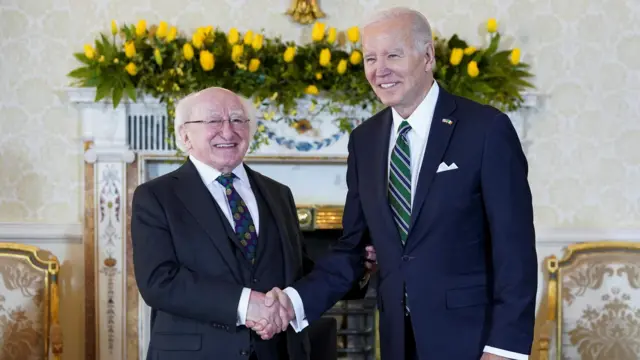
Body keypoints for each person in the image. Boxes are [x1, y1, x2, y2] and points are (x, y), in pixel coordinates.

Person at [252, 7, 538, 360]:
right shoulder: (364, 139)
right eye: (370, 57)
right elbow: (353, 248)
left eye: (393, 55)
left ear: (427, 55)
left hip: (473, 340)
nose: (379, 69)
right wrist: (293, 303)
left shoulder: (485, 130)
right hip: (397, 340)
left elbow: (516, 252)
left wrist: (506, 349)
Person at [131, 87, 372, 360]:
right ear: (185, 136)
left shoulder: (278, 193)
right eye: (213, 121)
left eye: (237, 120)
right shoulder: (156, 196)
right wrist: (247, 305)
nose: (228, 131)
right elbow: (159, 282)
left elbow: (299, 272)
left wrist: (357, 268)